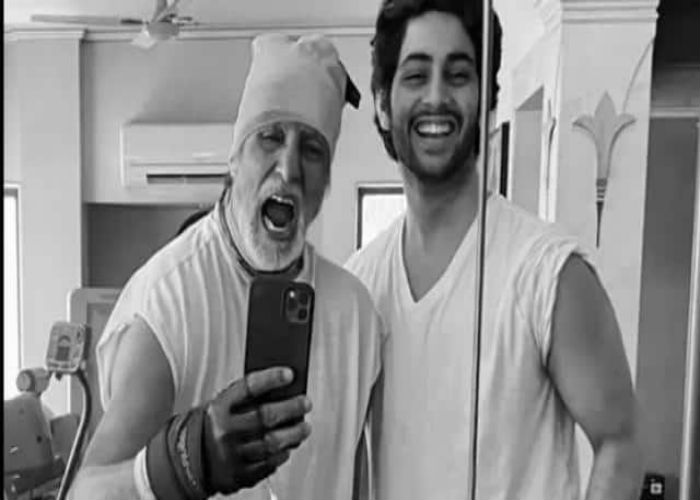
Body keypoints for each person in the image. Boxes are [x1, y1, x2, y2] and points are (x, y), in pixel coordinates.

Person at [345, 1, 642, 499]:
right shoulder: (361, 285)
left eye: (458, 75)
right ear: (381, 103)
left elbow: (620, 443)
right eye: (416, 76)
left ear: (486, 100)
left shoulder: (549, 273)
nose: (436, 97)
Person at [70, 33, 383, 500]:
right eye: (270, 137)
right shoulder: (170, 299)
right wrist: (184, 461)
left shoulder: (355, 314)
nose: (289, 168)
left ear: (326, 181)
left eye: (312, 149)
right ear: (234, 160)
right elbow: (86, 493)